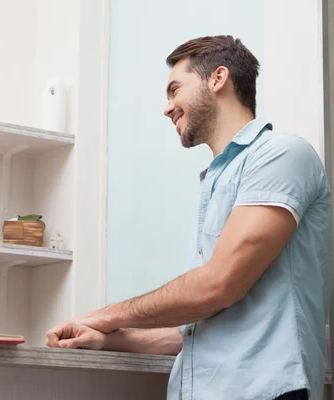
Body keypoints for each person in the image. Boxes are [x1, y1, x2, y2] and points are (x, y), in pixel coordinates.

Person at [46, 35, 332, 400]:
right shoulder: (218, 179)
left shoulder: (281, 155)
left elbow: (217, 286)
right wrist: (108, 340)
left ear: (217, 79)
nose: (168, 108)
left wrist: (109, 315)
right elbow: (195, 334)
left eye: (174, 90)